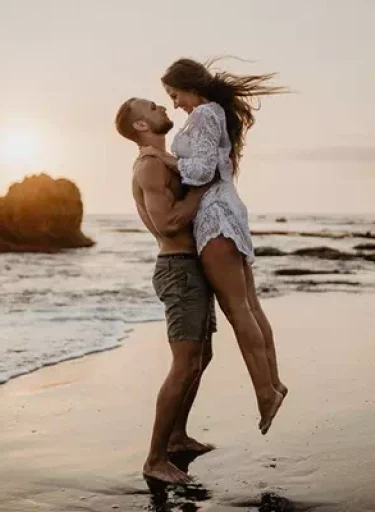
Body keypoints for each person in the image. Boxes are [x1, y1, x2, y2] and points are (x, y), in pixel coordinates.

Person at [139, 58, 288, 435]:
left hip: (214, 216)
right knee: (250, 304)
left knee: (239, 309)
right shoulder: (213, 113)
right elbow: (214, 163)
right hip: (227, 209)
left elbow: (202, 171)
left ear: (189, 86)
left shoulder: (205, 113)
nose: (174, 104)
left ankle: (266, 392)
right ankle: (272, 384)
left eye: (174, 95)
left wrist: (163, 157)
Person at [115, 97, 216, 484]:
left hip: (193, 268)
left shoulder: (166, 161)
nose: (162, 107)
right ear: (141, 126)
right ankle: (154, 460)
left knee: (201, 357)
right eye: (153, 107)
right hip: (179, 269)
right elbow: (169, 224)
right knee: (184, 363)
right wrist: (202, 188)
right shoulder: (151, 166)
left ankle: (177, 437)